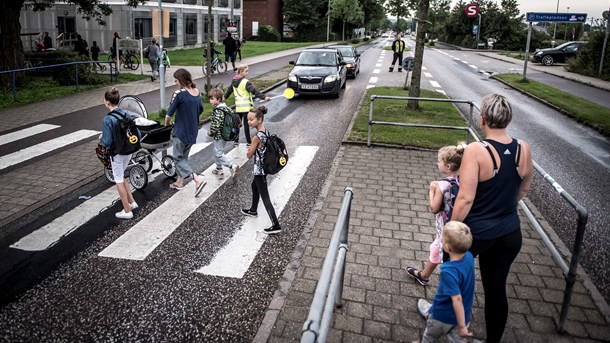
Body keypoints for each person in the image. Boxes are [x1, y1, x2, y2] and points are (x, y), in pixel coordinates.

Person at [451, 94, 533, 343]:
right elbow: (523, 189)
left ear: (482, 119)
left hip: (477, 233)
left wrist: (451, 228)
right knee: (496, 289)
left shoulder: (476, 150)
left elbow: (465, 199)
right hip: (509, 233)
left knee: (453, 280)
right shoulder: (524, 148)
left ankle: (443, 322)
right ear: (507, 119)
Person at [406, 142, 466, 286]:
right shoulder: (463, 181)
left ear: (448, 166)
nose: (437, 163)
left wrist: (431, 190)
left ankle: (429, 278)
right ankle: (425, 275)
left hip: (445, 225)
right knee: (439, 248)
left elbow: (434, 208)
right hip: (459, 222)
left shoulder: (441, 185)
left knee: (440, 249)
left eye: (439, 161)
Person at [417, 221, 475, 343]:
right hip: (464, 314)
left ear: (448, 247)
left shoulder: (448, 271)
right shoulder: (469, 257)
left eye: (442, 238)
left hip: (442, 315)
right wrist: (463, 324)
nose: (441, 240)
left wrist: (461, 326)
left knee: (429, 337)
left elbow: (456, 299)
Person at [165, 68, 207, 196]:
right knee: (184, 158)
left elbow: (169, 114)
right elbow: (200, 110)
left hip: (181, 131)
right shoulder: (196, 92)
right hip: (192, 131)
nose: (176, 82)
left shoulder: (179, 93)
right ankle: (179, 182)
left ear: (180, 80)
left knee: (178, 158)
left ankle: (197, 180)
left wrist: (166, 125)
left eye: (176, 80)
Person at [99, 87, 139, 219]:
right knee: (121, 176)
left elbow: (107, 141)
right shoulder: (125, 114)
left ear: (107, 102)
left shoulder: (108, 119)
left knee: (118, 180)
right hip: (128, 150)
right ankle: (132, 202)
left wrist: (101, 139)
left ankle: (127, 211)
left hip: (117, 153)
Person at [241, 106, 282, 235]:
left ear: (259, 119)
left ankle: (276, 224)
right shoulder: (265, 131)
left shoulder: (256, 137)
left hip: (260, 170)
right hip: (262, 168)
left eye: (251, 119)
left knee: (265, 197)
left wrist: (250, 149)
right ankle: (253, 210)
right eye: (248, 119)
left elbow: (249, 154)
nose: (248, 122)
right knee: (254, 186)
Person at [224, 65, 270, 146]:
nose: (247, 73)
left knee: (237, 124)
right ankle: (249, 142)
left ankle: (236, 141)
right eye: (246, 71)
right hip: (246, 108)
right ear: (241, 72)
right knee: (246, 125)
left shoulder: (233, 81)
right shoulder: (245, 82)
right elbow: (254, 91)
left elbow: (229, 91)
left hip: (238, 107)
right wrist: (264, 97)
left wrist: (224, 97)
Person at [207, 87, 240, 179]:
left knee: (218, 153)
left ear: (219, 99)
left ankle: (231, 166)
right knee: (217, 150)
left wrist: (211, 131)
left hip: (220, 134)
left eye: (212, 99)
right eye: (210, 98)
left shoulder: (218, 110)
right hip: (225, 133)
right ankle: (219, 168)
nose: (210, 101)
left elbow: (217, 123)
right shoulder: (225, 107)